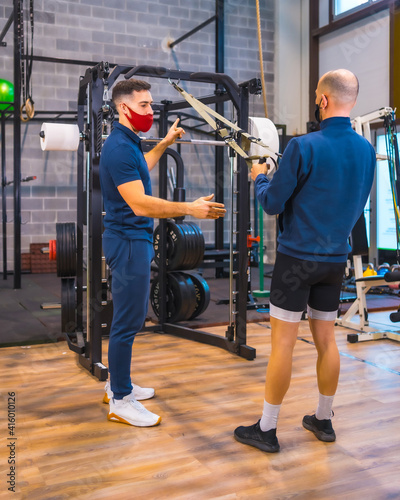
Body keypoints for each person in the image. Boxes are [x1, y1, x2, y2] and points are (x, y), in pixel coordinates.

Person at [234, 69, 376, 452]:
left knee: (282, 345)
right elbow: (353, 203)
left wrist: (260, 176)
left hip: (297, 261)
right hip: (335, 262)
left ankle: (267, 429)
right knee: (327, 342)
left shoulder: (302, 146)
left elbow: (271, 203)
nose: (316, 101)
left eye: (317, 96)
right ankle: (324, 420)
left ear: (324, 100)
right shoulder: (366, 150)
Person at [99, 79, 226, 428]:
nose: (151, 112)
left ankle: (117, 384)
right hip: (127, 242)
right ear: (124, 108)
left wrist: (166, 142)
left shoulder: (128, 143)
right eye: (143, 106)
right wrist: (189, 208)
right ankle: (120, 400)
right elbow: (139, 204)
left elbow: (142, 170)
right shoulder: (119, 148)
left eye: (151, 105)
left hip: (133, 240)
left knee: (133, 318)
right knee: (128, 322)